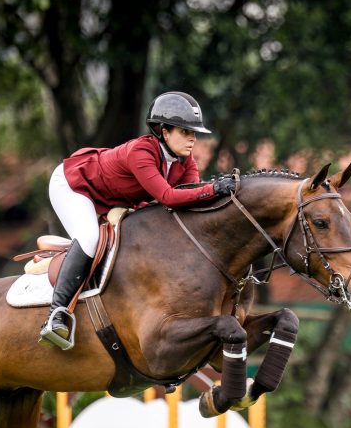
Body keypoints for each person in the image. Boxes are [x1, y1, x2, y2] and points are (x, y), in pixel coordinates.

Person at [40, 91, 236, 349]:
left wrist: (216, 195)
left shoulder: (185, 161)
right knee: (90, 237)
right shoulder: (141, 152)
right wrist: (214, 188)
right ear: (163, 131)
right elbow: (168, 197)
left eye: (194, 132)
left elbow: (190, 200)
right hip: (74, 186)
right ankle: (57, 314)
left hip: (110, 197)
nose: (192, 138)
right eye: (184, 131)